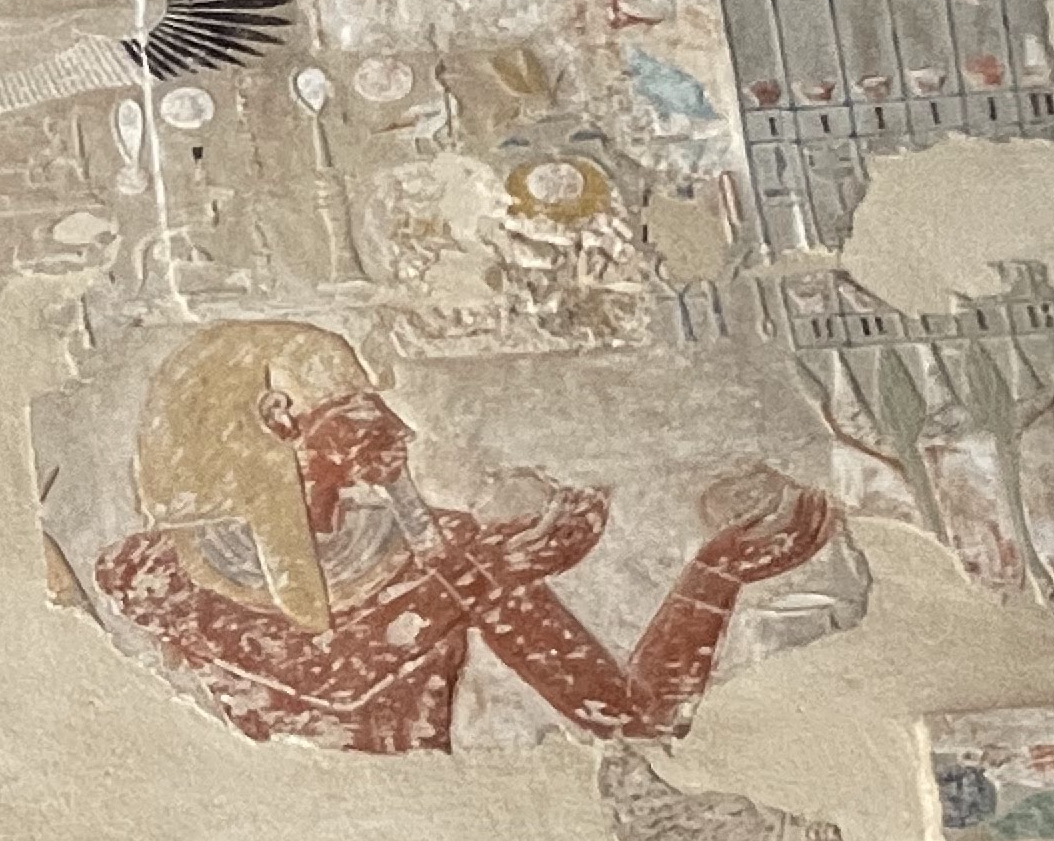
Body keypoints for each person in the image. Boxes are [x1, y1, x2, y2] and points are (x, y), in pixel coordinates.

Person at [94, 320, 839, 757]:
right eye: (359, 409)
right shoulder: (157, 571)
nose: (398, 429)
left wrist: (716, 574)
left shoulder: (449, 552)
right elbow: (329, 677)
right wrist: (485, 571)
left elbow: (634, 716)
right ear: (279, 420)